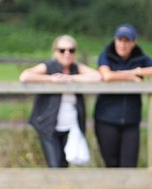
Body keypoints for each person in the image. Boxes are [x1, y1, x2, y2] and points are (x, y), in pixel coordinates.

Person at [19, 35, 101, 168]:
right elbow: (25, 76)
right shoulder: (49, 66)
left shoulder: (76, 68)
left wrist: (71, 78)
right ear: (55, 52)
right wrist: (51, 79)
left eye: (71, 50)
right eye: (62, 50)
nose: (67, 53)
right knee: (54, 165)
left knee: (64, 164)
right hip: (48, 125)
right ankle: (54, 188)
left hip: (71, 126)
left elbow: (97, 76)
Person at [94, 23, 152, 168]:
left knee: (129, 165)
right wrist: (131, 77)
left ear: (133, 43)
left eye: (127, 41)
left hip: (131, 120)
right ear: (115, 40)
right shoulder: (106, 55)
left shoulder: (140, 58)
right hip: (106, 118)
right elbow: (106, 75)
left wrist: (136, 71)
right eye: (120, 40)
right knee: (111, 164)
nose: (122, 44)